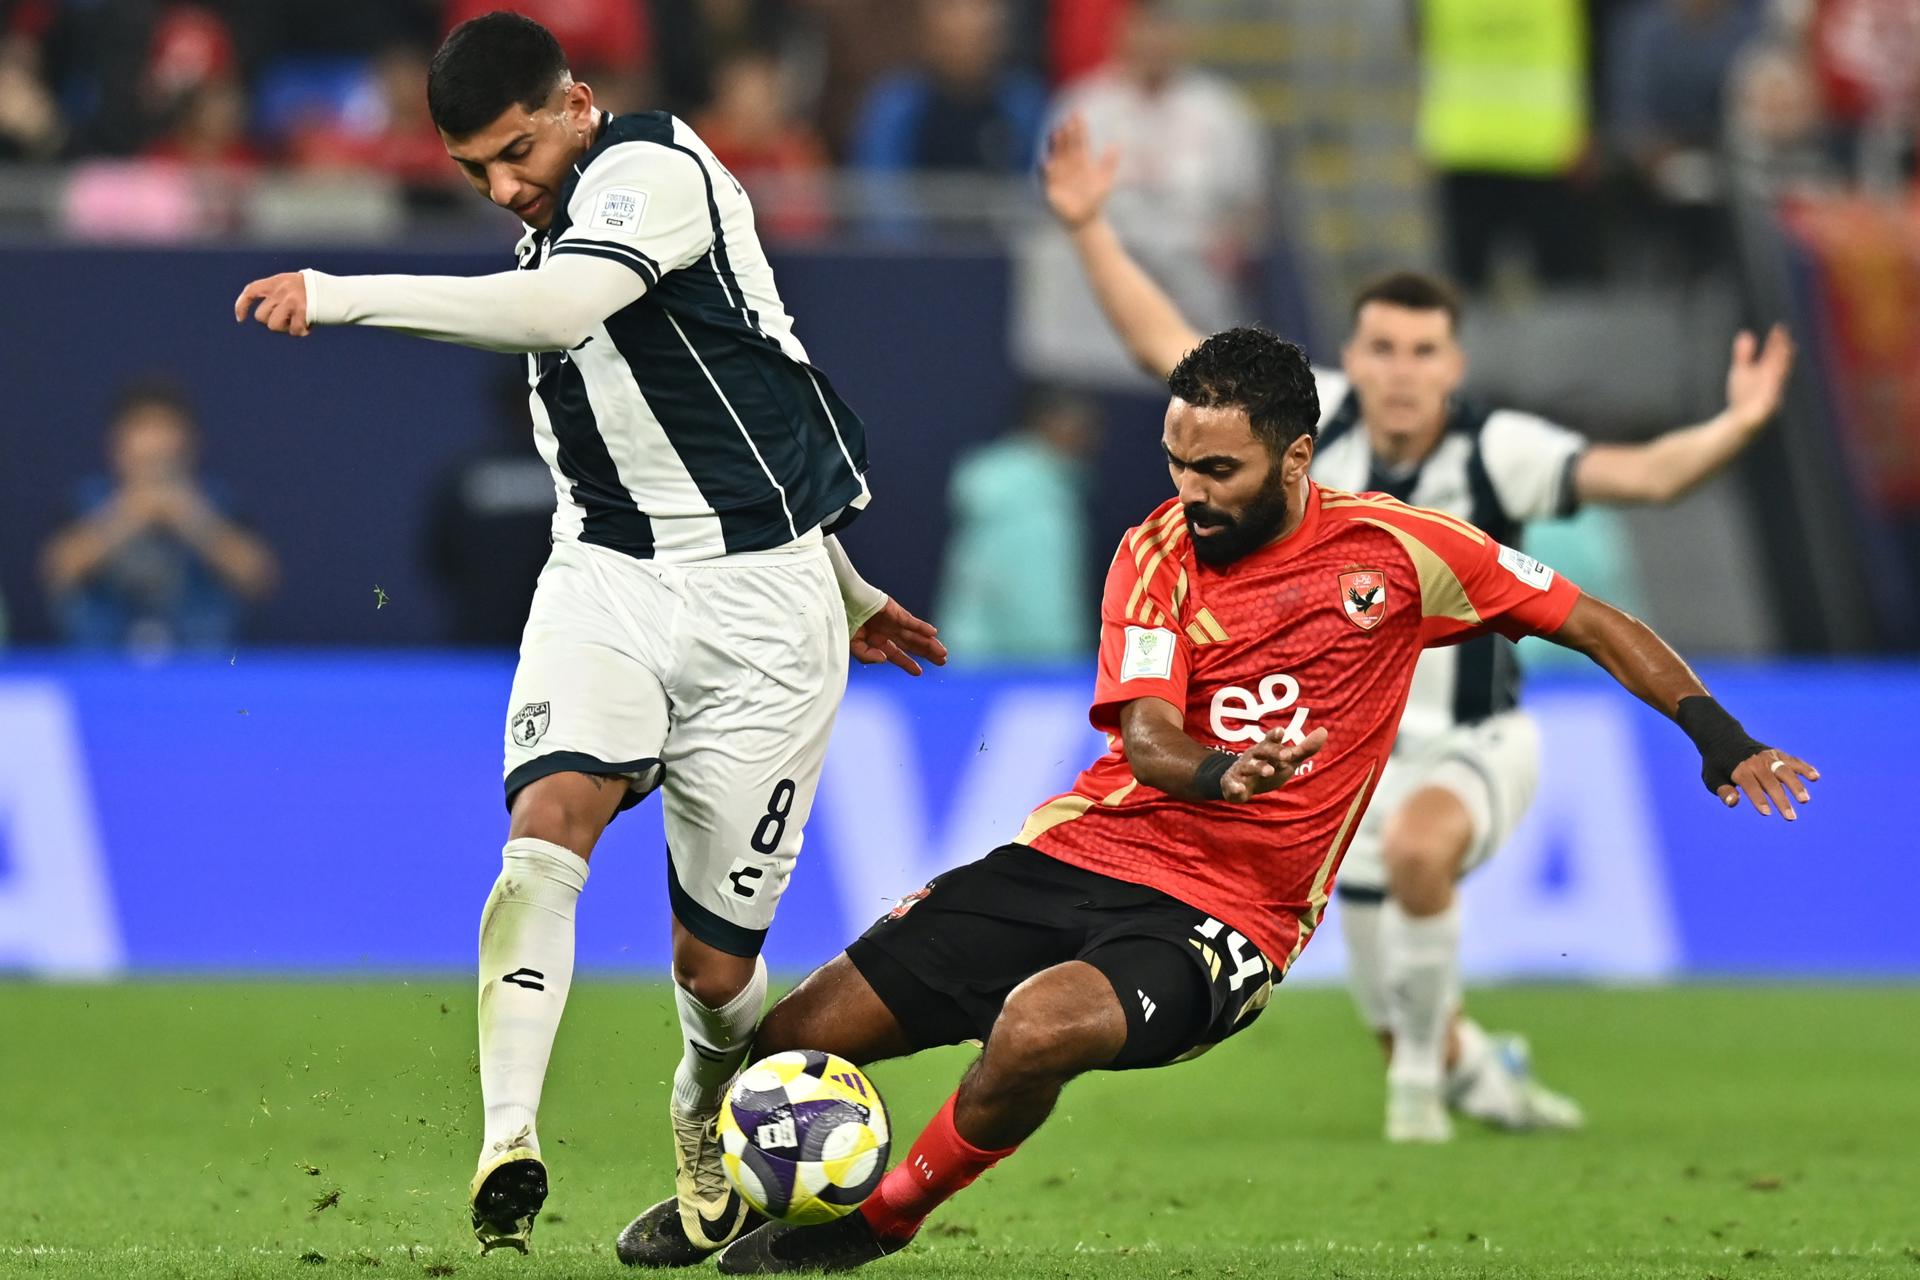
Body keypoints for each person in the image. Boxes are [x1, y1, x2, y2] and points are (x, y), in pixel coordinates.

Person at [706, 327, 1818, 1273]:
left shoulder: (1398, 550)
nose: (1189, 493)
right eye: (1177, 461)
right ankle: (724, 1195)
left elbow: (1589, 617)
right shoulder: (1155, 550)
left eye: (1219, 471)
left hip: (1228, 915)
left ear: (1296, 459)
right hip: (1086, 851)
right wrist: (1218, 770)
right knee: (791, 1036)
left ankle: (880, 1220)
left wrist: (1719, 737)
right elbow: (1145, 738)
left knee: (1036, 1024)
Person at [232, 12, 945, 1262]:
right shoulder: (548, 217)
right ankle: (509, 1136)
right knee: (546, 825)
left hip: (761, 617)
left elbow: (560, 312)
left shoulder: (656, 172)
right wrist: (856, 581)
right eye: (474, 173)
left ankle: (701, 1111)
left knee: (718, 973)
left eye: (515, 153)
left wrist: (337, 292)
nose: (505, 187)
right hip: (606, 583)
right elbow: (720, 427)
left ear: (576, 102)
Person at [1040, 113, 1798, 1141]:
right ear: (1352, 357)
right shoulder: (1306, 429)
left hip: (1476, 738)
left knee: (1419, 861)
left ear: (1454, 363)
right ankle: (1473, 1066)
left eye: (1425, 352)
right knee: (1392, 979)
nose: (1402, 371)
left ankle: (1417, 1107)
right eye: (1384, 349)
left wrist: (1738, 426)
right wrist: (1088, 226)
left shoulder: (1503, 451)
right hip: (1347, 759)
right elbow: (1163, 347)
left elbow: (1651, 476)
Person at [41, 378, 278, 652]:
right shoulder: (86, 501)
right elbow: (57, 570)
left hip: (201, 668)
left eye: (164, 429)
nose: (155, 443)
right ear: (116, 445)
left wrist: (190, 519)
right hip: (102, 667)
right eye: (142, 428)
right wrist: (128, 516)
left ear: (190, 444)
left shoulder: (218, 502)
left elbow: (258, 576)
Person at [934, 386, 1101, 665]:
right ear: (1049, 423)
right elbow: (1033, 587)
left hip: (974, 658)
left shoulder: (1047, 487)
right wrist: (1063, 660)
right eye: (1081, 425)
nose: (1092, 438)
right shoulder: (1034, 497)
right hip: (1019, 665)